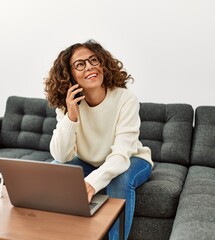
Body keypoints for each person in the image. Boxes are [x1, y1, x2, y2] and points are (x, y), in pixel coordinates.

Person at [44, 39, 153, 240]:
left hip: (132, 159)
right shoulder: (68, 105)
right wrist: (71, 116)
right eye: (80, 64)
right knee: (55, 172)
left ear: (102, 64)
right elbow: (61, 156)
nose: (90, 67)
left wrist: (92, 183)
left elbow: (120, 156)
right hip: (89, 160)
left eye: (94, 60)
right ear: (70, 75)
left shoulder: (125, 99)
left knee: (120, 180)